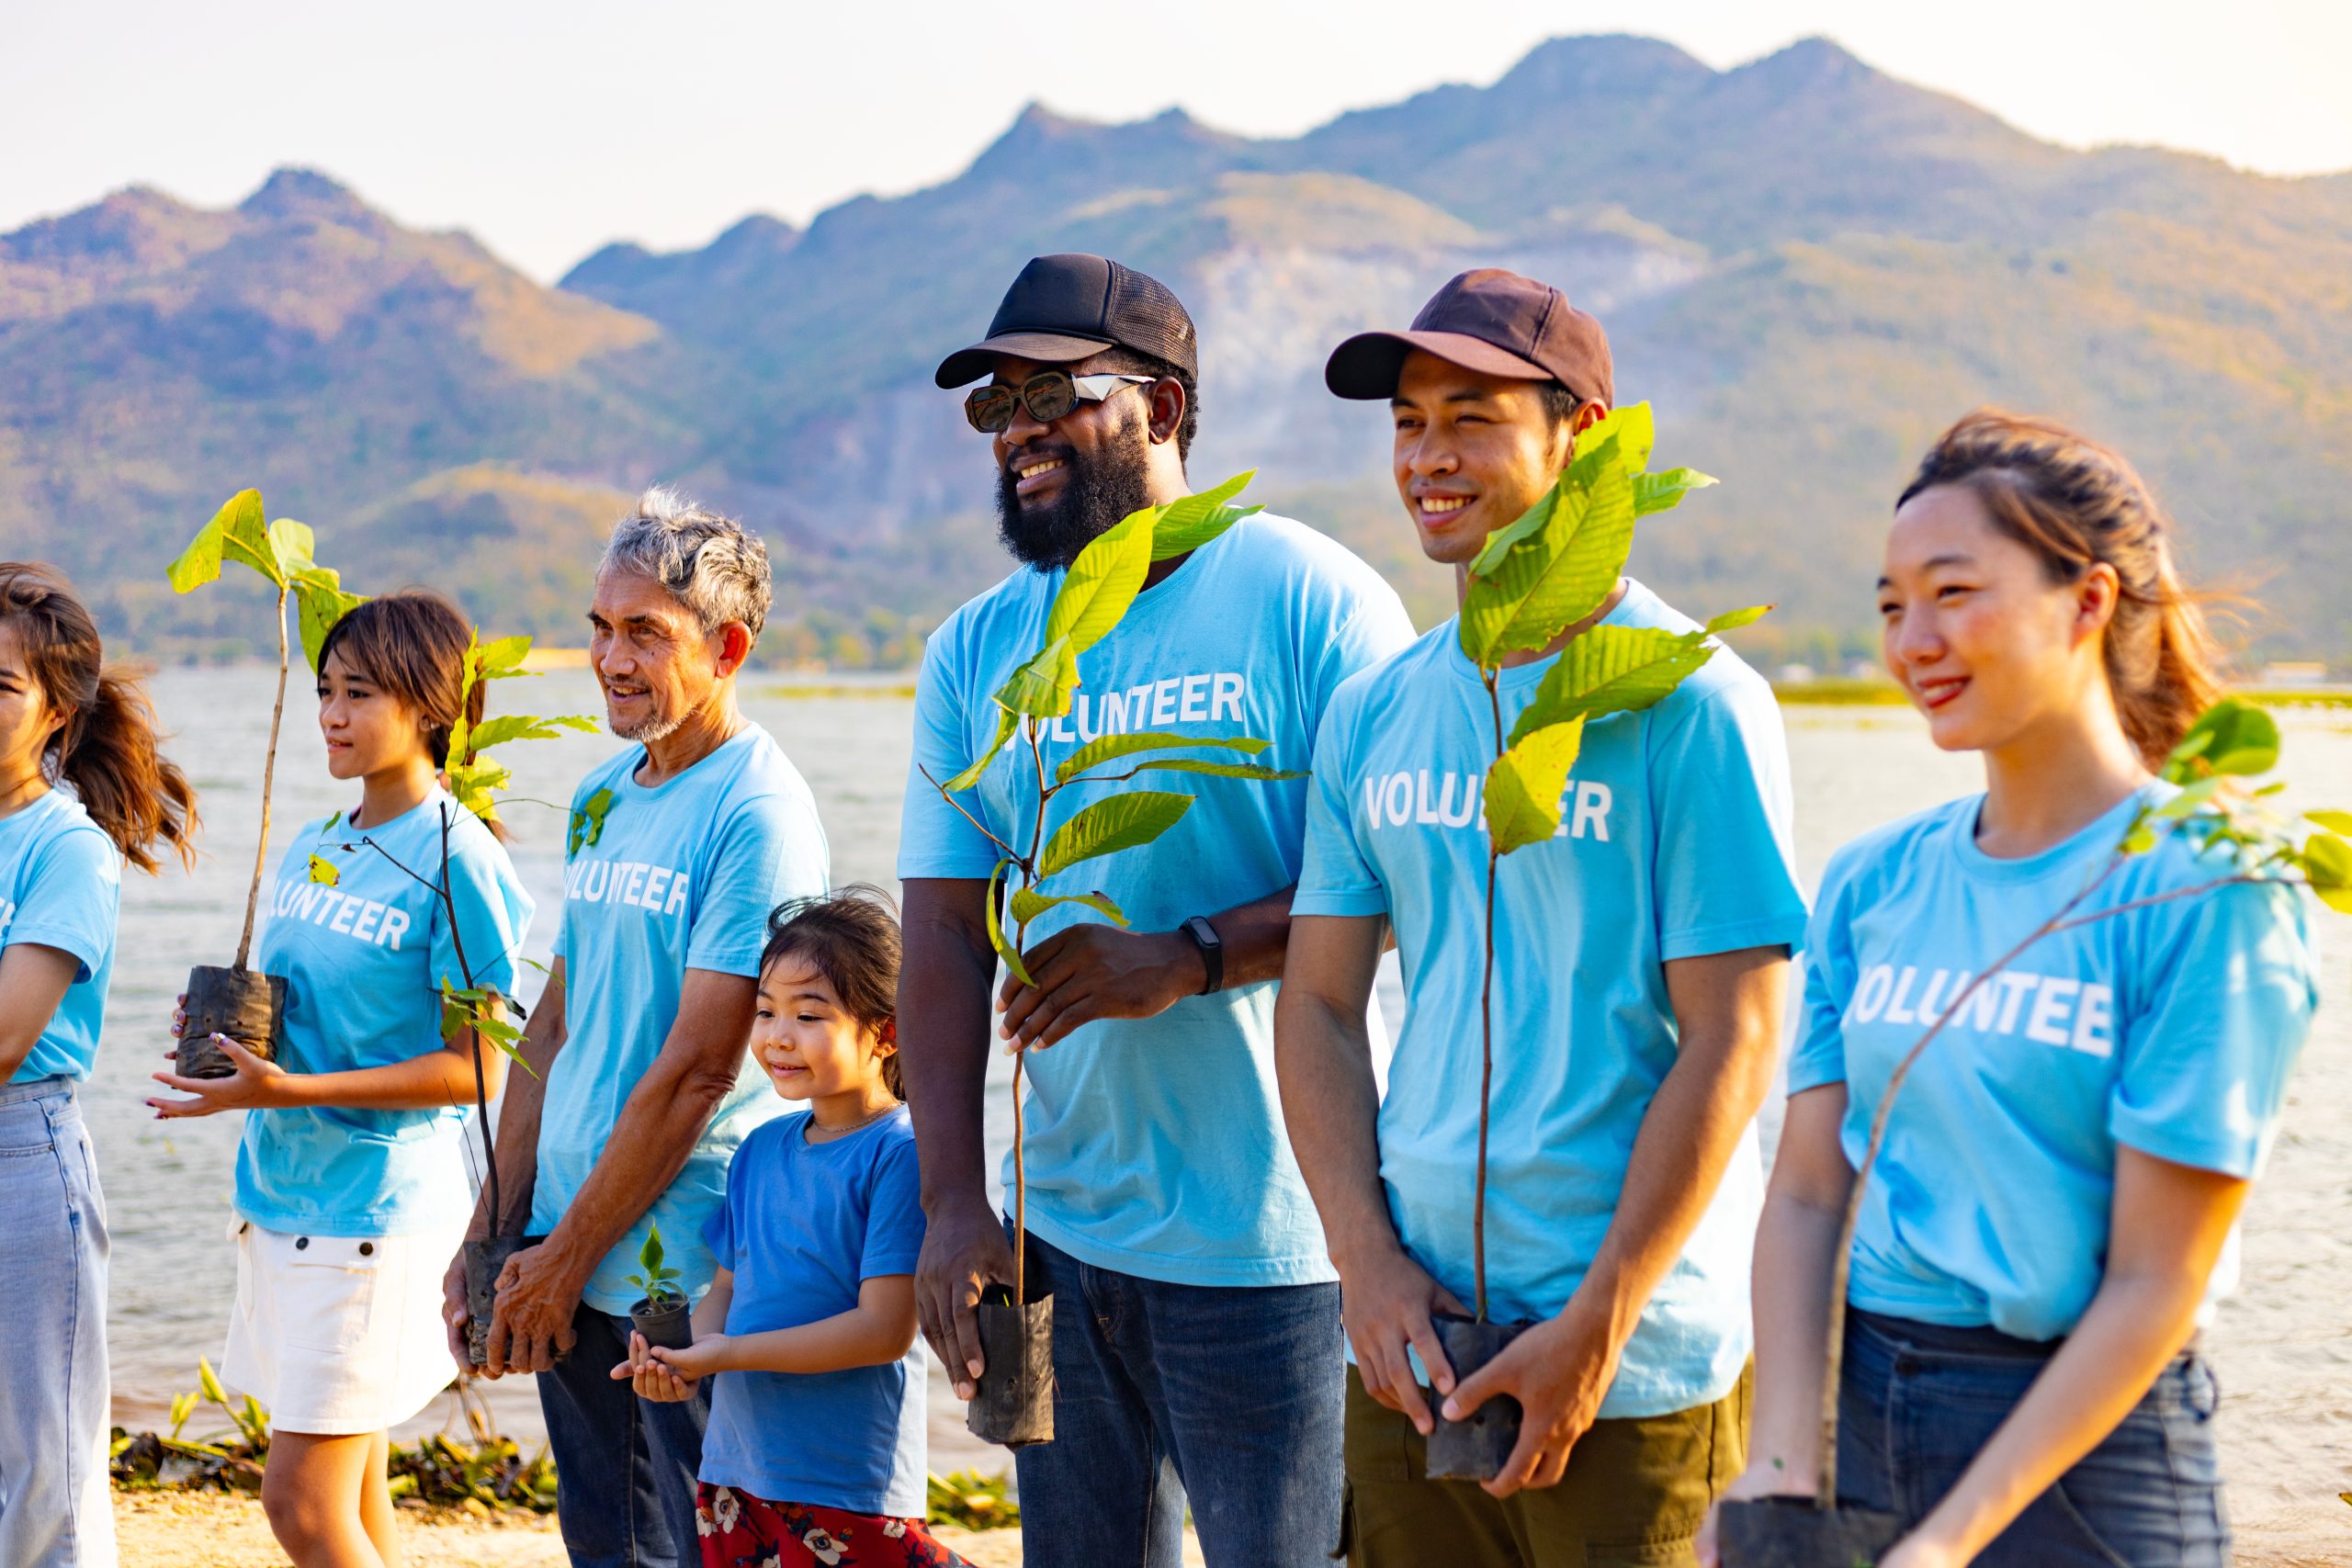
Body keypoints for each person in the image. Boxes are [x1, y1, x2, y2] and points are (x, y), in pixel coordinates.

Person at [1702, 412, 2321, 1567]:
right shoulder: (1872, 880)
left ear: (2087, 603)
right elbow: (1801, 1196)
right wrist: (1777, 1474)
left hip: (2091, 1461)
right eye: (1891, 604)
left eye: (1952, 592)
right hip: (1876, 1411)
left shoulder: (2209, 887)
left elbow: (2156, 1280)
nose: (1913, 640)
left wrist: (1948, 1545)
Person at [1276, 269, 1808, 1565]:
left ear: (1581, 436)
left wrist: (1604, 1314)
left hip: (1632, 1356)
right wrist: (1363, 1259)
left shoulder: (1690, 703)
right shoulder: (1377, 708)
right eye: (1408, 421)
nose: (1428, 456)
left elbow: (1735, 1037)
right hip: (1417, 1337)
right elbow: (1321, 1001)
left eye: (1472, 416)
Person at [901, 253, 1417, 1567]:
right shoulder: (977, 649)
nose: (1015, 422)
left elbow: (1407, 884)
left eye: (1053, 390)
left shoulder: (1310, 597)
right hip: (1054, 1245)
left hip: (1273, 1242)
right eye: (994, 400)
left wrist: (1189, 956)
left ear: (1164, 409)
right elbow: (948, 934)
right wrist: (955, 1199)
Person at [450, 489, 831, 1568]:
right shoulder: (604, 793)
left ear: (728, 646)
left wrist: (564, 1260)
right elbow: (556, 1016)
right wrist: (497, 1227)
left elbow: (703, 1066)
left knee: (697, 1549)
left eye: (646, 635)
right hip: (567, 1242)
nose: (613, 661)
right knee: (606, 1543)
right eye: (601, 629)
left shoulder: (756, 812)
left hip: (680, 1269)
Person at [149, 591, 535, 1568]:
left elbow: (481, 1066)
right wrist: (224, 1032)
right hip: (280, 1196)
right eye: (326, 689)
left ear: (431, 704)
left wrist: (289, 1091)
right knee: (356, 1497)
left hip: (371, 1217)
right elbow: (306, 1007)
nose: (331, 712)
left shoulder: (459, 861)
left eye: (359, 694)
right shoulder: (318, 841)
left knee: (300, 1507)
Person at [615, 887, 976, 1568]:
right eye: (766, 1010)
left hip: (847, 1477)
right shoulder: (759, 1146)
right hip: (738, 1464)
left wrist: (722, 1355)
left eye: (810, 1014)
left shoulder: (901, 1151)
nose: (778, 1035)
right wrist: (680, 1359)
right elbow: (727, 1288)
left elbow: (883, 1330)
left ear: (888, 1031)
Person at [0, 562, 197, 1568]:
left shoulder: (63, 847)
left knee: (44, 1477)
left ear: (54, 714)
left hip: (21, 1162)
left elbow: (5, 1036)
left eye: (0, 687)